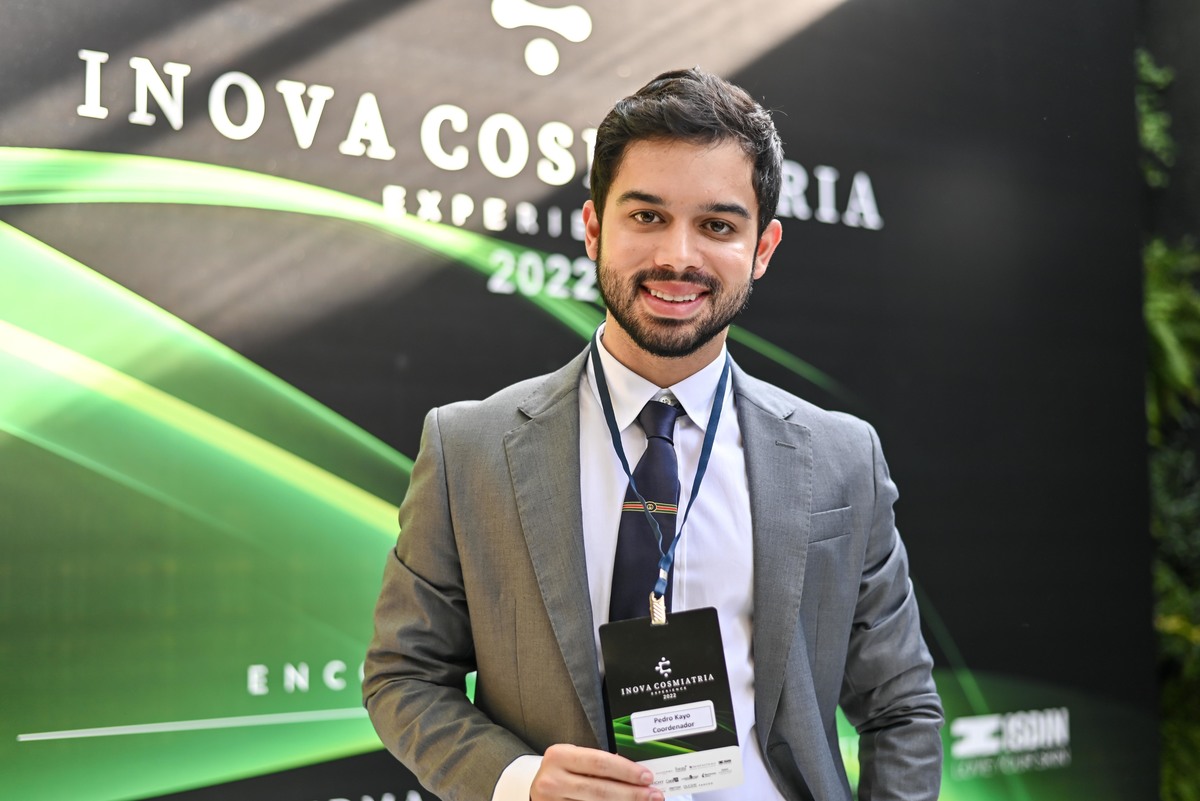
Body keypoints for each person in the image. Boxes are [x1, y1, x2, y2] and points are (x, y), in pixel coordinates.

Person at [364, 67, 943, 801]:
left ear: (762, 248)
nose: (678, 256)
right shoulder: (469, 450)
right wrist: (521, 781)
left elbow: (901, 706)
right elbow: (403, 675)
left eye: (718, 225)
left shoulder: (841, 457)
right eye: (646, 217)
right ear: (593, 228)